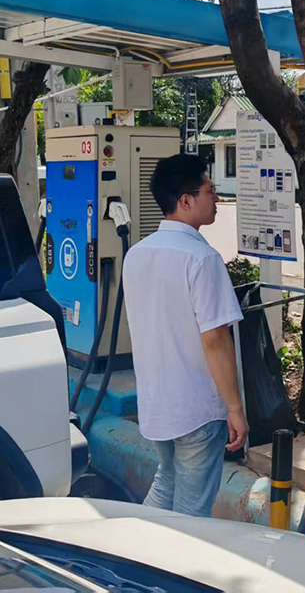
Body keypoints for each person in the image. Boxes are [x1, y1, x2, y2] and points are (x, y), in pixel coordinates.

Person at [121, 153, 247, 517]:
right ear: (186, 201)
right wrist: (235, 409)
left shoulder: (137, 254)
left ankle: (140, 545)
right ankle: (166, 554)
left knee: (167, 481)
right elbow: (215, 339)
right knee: (192, 511)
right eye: (210, 191)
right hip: (197, 409)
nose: (217, 198)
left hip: (157, 403)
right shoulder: (202, 259)